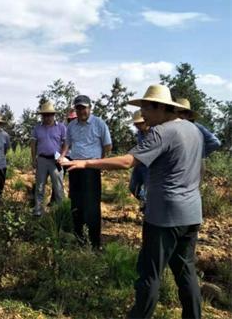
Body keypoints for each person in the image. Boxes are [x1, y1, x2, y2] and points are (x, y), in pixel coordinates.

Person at [61, 85, 203, 319]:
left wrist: (86, 163)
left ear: (160, 107)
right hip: (191, 214)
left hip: (164, 215)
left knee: (149, 274)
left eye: (145, 108)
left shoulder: (161, 133)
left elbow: (128, 161)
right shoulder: (192, 130)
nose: (142, 115)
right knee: (186, 272)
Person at [58, 95, 112, 248]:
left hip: (91, 167)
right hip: (74, 166)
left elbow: (107, 145)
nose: (81, 111)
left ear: (90, 108)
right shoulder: (72, 126)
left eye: (84, 107)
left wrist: (100, 161)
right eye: (78, 108)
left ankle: (94, 243)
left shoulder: (99, 123)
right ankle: (79, 238)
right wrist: (62, 157)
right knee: (76, 203)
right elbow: (68, 143)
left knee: (92, 206)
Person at [30, 101, 66, 216]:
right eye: (45, 115)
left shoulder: (61, 127)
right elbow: (33, 144)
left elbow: (66, 142)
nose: (47, 117)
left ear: (53, 114)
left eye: (49, 114)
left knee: (58, 188)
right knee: (40, 187)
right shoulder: (37, 128)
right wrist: (33, 159)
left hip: (56, 161)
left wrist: (62, 156)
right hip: (42, 160)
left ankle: (61, 213)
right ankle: (38, 212)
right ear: (42, 115)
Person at [49, 109, 77, 204]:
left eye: (74, 119)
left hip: (74, 157)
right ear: (68, 119)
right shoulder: (63, 128)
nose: (72, 121)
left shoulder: (79, 129)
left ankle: (72, 199)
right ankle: (54, 200)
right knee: (57, 178)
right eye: (70, 119)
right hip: (61, 156)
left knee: (73, 179)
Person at [128, 110, 151, 211]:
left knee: (148, 190)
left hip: (149, 167)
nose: (137, 126)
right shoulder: (139, 133)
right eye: (136, 124)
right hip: (139, 165)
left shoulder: (155, 132)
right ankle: (145, 202)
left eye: (139, 123)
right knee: (133, 187)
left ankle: (147, 208)